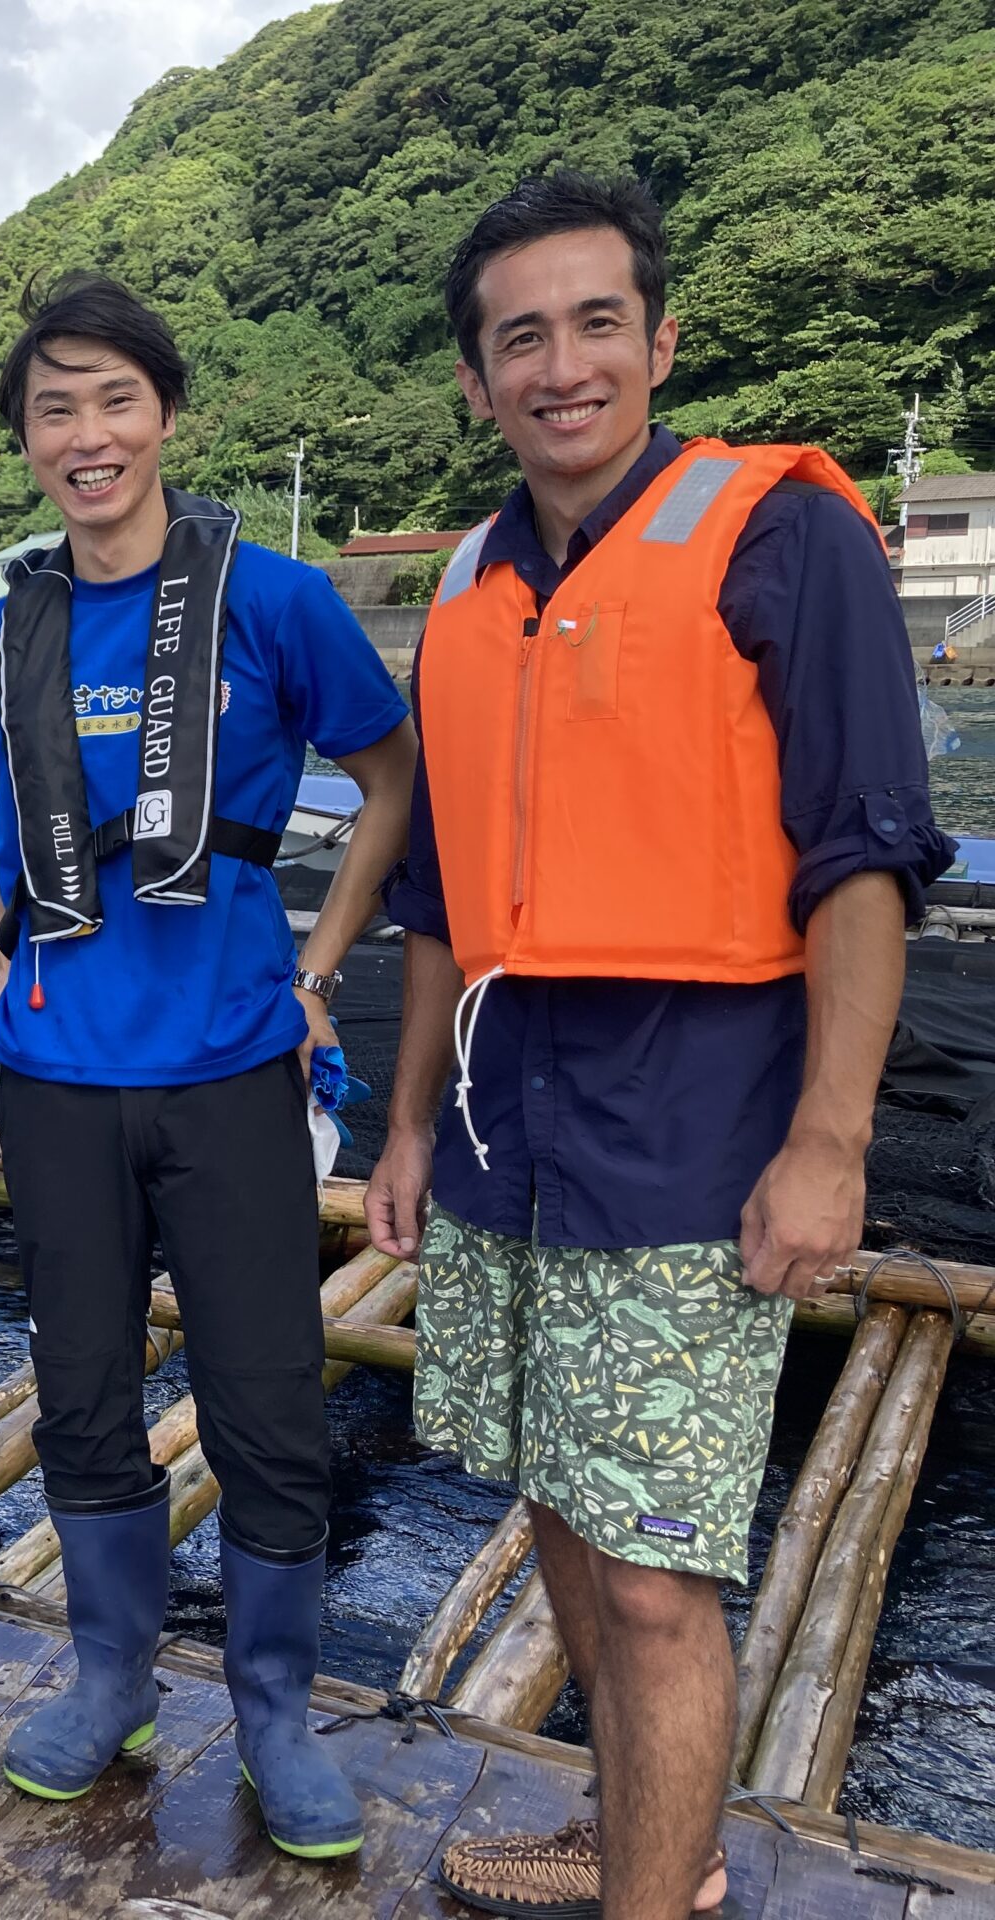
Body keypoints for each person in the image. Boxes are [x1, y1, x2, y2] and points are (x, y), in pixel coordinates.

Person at [363, 172, 953, 1920]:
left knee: (651, 1580)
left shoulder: (784, 534)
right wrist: (400, 1130)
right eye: (518, 337)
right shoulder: (470, 577)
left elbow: (867, 853)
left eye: (594, 323)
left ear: (660, 338)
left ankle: (655, 1893)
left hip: (691, 1133)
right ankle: (651, 1837)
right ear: (477, 378)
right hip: (499, 1132)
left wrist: (829, 1139)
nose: (560, 367)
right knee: (555, 1511)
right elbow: (444, 896)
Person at [0, 276, 416, 1858]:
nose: (89, 436)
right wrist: (5, 940)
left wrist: (321, 960)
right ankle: (109, 1676)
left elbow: (391, 777)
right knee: (81, 1392)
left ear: (166, 416)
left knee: (268, 1397)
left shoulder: (274, 604)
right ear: (25, 442)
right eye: (54, 410)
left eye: (114, 401)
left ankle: (276, 1704)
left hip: (231, 1067)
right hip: (56, 1076)